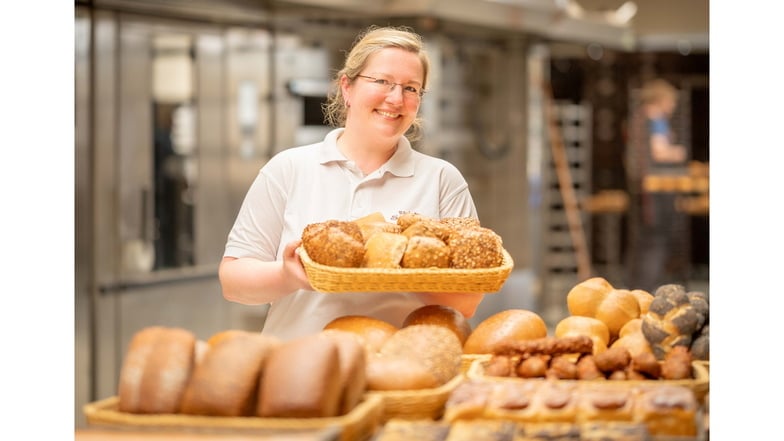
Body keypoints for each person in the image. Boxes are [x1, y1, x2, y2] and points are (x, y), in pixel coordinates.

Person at [218, 25, 485, 340]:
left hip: (399, 371)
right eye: (382, 81)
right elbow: (233, 282)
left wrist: (405, 263)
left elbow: (468, 301)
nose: (396, 98)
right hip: (296, 366)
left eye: (411, 88)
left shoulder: (442, 179)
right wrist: (288, 275)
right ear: (347, 87)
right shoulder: (289, 169)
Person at [625, 78, 690, 293]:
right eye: (671, 102)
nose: (672, 107)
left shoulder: (638, 117)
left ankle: (636, 290)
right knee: (656, 242)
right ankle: (645, 292)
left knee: (643, 243)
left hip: (640, 188)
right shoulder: (655, 118)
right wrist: (679, 151)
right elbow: (660, 151)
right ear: (661, 100)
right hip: (654, 192)